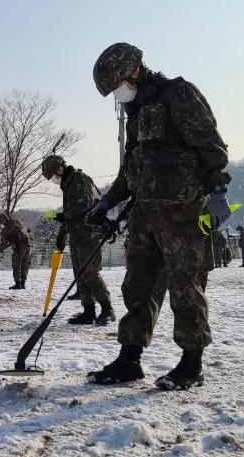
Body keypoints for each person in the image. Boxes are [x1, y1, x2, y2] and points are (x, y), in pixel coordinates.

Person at [85, 43, 231, 390]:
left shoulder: (178, 95)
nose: (117, 95)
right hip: (145, 216)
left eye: (117, 85)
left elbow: (212, 148)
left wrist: (218, 193)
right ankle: (129, 360)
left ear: (134, 70)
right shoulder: (136, 112)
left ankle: (191, 364)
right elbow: (130, 170)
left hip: (183, 214)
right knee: (137, 286)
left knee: (186, 287)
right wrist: (106, 203)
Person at [41, 155, 115, 325]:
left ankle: (107, 309)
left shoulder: (79, 179)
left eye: (53, 174)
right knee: (80, 275)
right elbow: (71, 216)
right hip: (76, 237)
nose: (54, 179)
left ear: (60, 168)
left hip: (90, 235)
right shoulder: (67, 185)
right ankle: (88, 311)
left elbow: (84, 205)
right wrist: (62, 233)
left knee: (90, 273)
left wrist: (63, 216)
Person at [0, 213, 34, 289]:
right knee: (25, 264)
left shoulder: (6, 229)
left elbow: (4, 243)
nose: (0, 225)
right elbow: (25, 230)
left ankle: (18, 284)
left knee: (16, 264)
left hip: (19, 246)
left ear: (2, 221)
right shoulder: (17, 221)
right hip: (29, 244)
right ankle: (23, 284)